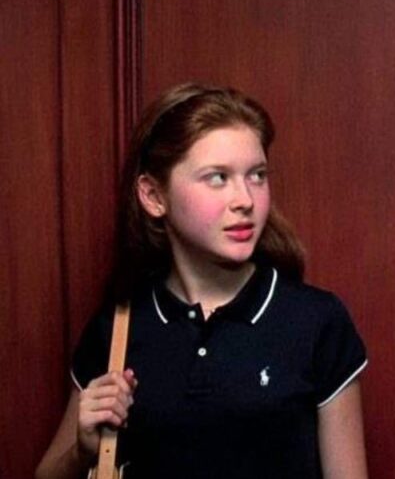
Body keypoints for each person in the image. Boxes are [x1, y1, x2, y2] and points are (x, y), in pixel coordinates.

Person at [36, 84, 368, 479]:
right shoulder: (118, 328)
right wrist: (83, 450)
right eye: (217, 178)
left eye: (257, 175)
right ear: (153, 196)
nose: (245, 199)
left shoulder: (316, 322)